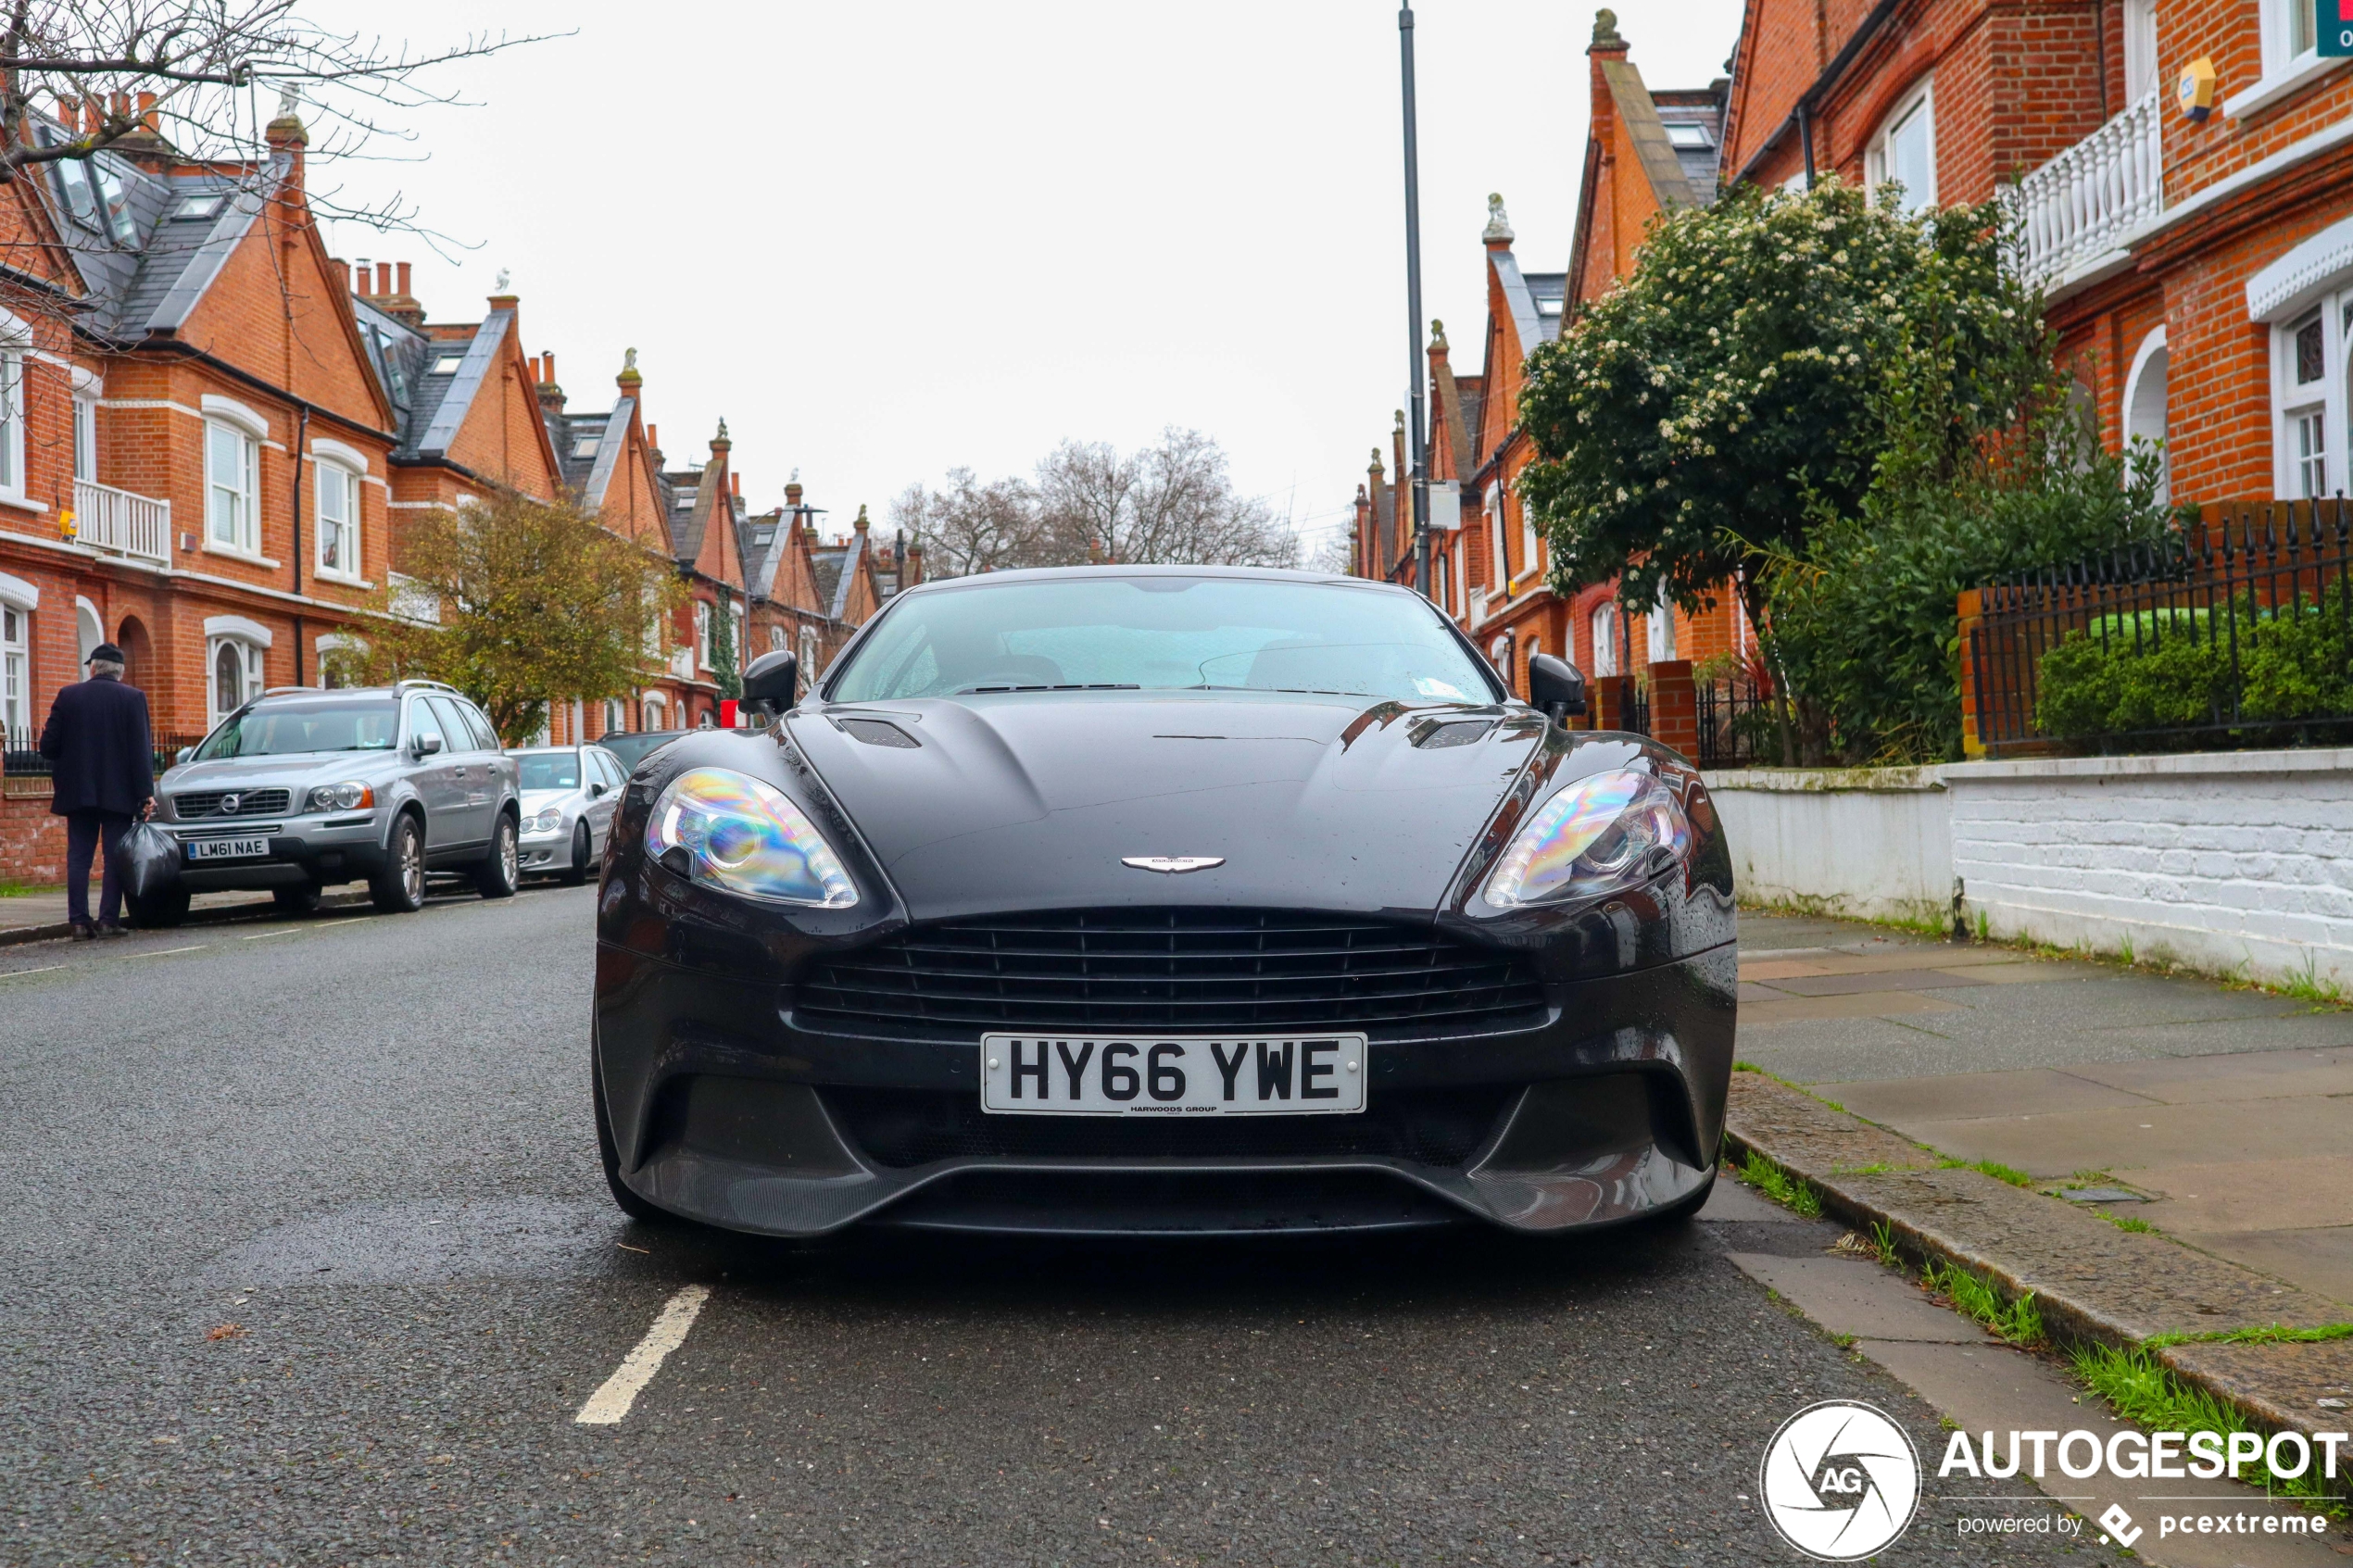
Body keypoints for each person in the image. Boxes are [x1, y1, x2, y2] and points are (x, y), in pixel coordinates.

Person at [38, 642, 156, 938]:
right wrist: (146, 793)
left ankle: (78, 921)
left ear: (92, 668)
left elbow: (47, 747)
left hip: (78, 792)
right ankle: (108, 920)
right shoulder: (133, 698)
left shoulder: (68, 696)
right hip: (120, 793)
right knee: (115, 856)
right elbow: (141, 751)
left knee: (79, 855)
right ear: (120, 671)